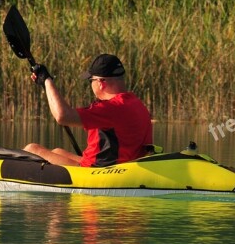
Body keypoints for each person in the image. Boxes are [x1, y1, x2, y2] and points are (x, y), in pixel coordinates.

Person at [23, 54, 153, 167]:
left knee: (31, 149)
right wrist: (45, 84)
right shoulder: (136, 103)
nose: (90, 85)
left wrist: (47, 80)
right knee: (57, 151)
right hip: (118, 165)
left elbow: (62, 116)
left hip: (97, 170)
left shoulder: (111, 108)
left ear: (101, 83)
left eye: (91, 80)